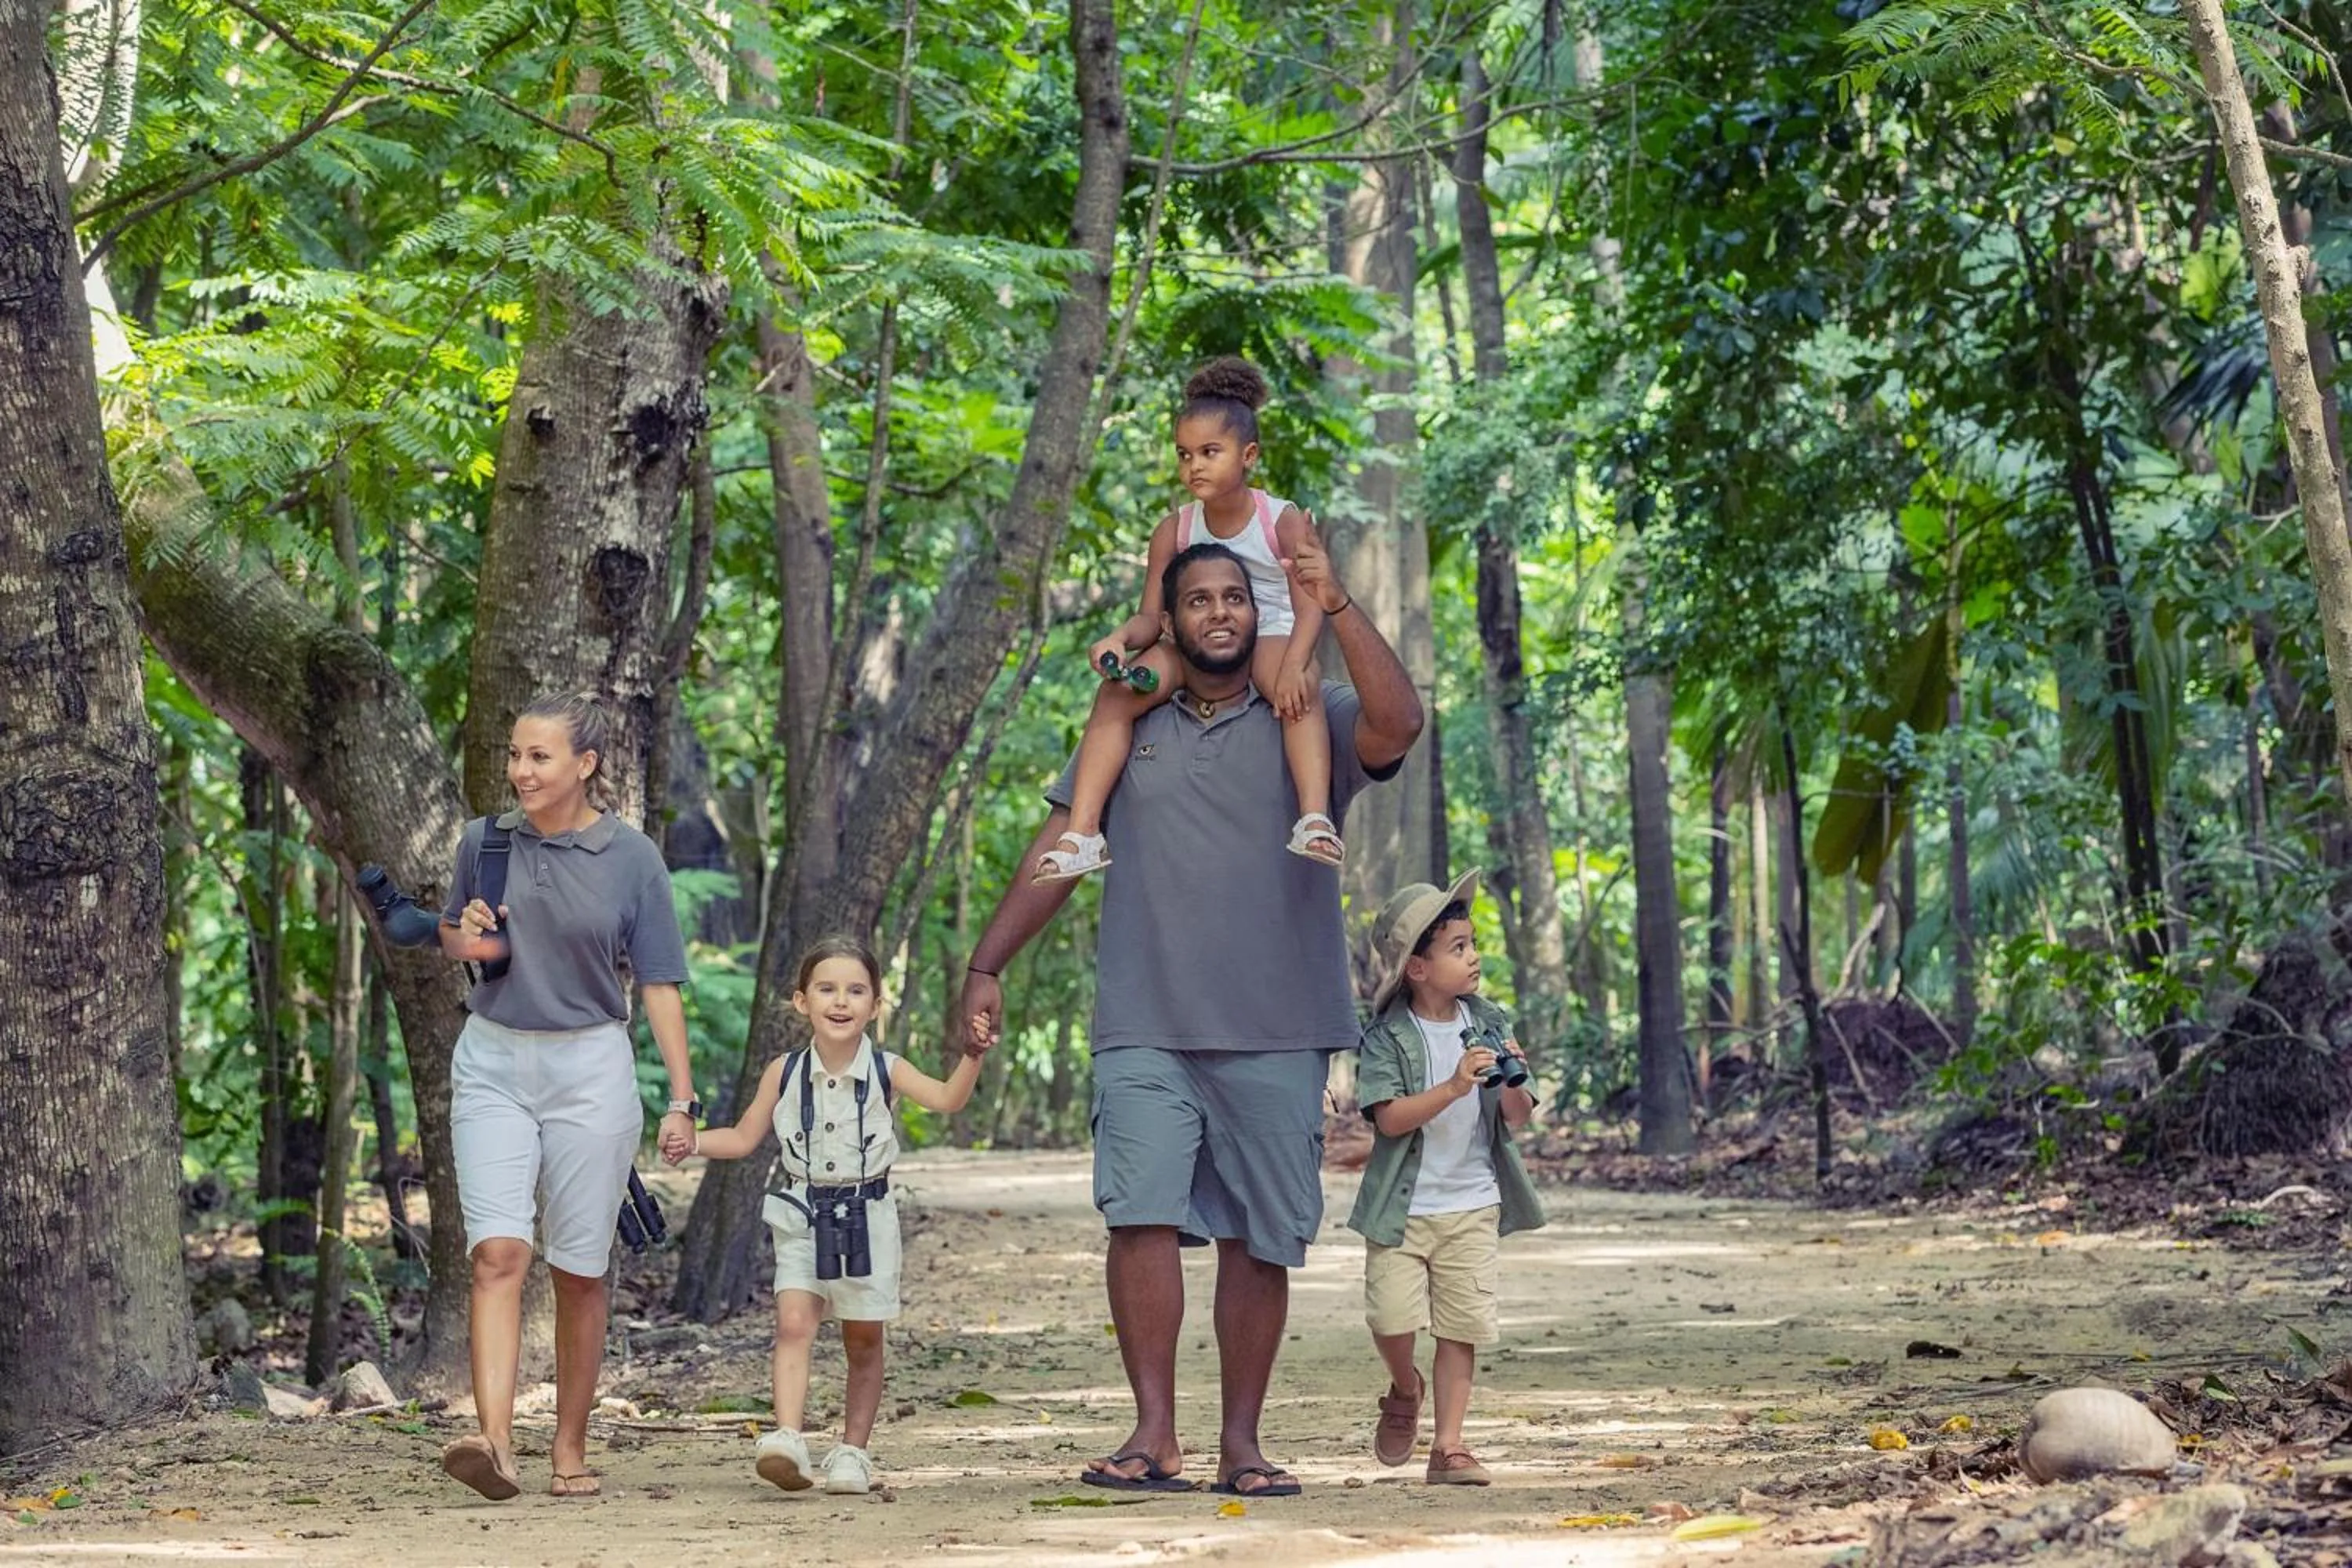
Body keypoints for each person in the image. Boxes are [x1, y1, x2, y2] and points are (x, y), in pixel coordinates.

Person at [960, 524, 1424, 1497]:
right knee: (1139, 1215)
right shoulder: (1128, 715)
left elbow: (1400, 723)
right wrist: (987, 960)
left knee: (1258, 1236)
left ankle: (1241, 1443)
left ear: (1259, 611)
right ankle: (1154, 1434)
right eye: (1199, 599)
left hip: (1279, 1027)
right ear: (1168, 619)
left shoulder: (1303, 710)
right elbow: (1062, 841)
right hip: (1147, 1021)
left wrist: (1335, 603)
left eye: (1235, 597)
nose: (1220, 612)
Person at [433, 691, 698, 1501]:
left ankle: (570, 1447)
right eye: (515, 754)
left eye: (539, 756)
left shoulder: (632, 858)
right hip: (493, 1061)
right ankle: (495, 1446)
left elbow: (658, 983)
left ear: (585, 765)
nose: (521, 770)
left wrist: (682, 1098)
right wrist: (468, 932)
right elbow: (456, 941)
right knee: (497, 1254)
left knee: (579, 1269)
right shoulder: (484, 841)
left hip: (590, 1068)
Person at [682, 937, 984, 1497]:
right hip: (803, 1213)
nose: (840, 1001)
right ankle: (788, 1438)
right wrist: (692, 1142)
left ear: (875, 1005)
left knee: (863, 1338)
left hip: (868, 1216)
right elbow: (745, 1137)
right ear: (802, 1001)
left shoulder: (887, 1069)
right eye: (826, 989)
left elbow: (947, 1100)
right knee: (793, 1322)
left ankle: (852, 1452)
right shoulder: (785, 1071)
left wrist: (973, 1055)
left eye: (855, 991)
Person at [1031, 357, 1342, 884]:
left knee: (1299, 693)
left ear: (1248, 456)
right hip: (1190, 640)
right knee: (1116, 696)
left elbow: (1311, 601)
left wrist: (1295, 661)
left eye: (1209, 452)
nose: (1194, 465)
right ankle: (1082, 834)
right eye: (1184, 454)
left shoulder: (1280, 520)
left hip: (1267, 630)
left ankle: (1314, 819)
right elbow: (1151, 618)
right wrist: (1117, 640)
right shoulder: (1173, 530)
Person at [1347, 873, 1544, 1486]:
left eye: (1473, 942)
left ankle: (1449, 1447)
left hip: (1472, 1201)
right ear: (1417, 968)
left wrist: (1514, 1078)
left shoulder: (1489, 1019)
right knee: (1391, 1320)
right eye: (1458, 947)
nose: (1474, 955)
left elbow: (1518, 1117)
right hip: (1401, 1209)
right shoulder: (1387, 1037)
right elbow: (1389, 1120)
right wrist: (1455, 1086)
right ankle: (1405, 1387)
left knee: (1461, 1327)